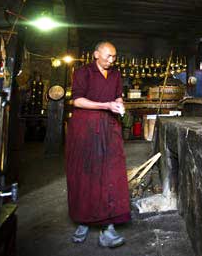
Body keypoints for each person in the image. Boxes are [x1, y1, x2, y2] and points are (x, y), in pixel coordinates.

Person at [66, 41, 130, 248]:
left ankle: (107, 227)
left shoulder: (115, 75)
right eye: (108, 56)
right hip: (85, 129)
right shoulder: (83, 72)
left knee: (111, 173)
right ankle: (83, 220)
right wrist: (105, 105)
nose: (111, 60)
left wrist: (119, 104)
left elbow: (118, 96)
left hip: (109, 128)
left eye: (114, 57)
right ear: (96, 54)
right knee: (85, 174)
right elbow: (77, 101)